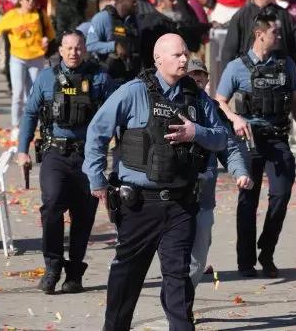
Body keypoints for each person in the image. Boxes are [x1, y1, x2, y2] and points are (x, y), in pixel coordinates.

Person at [82, 33, 228, 331]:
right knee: (128, 276)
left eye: (186, 53)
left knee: (178, 278)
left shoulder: (197, 98)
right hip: (138, 205)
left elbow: (221, 138)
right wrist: (96, 179)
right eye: (177, 55)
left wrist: (195, 133)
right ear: (158, 59)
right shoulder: (133, 92)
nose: (185, 59)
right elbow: (97, 132)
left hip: (180, 204)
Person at [16, 30, 117, 294]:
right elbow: (30, 113)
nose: (74, 52)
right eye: (69, 48)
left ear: (85, 49)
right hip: (55, 154)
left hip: (89, 157)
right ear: (60, 50)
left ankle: (74, 274)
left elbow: (118, 112)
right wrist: (22, 149)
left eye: (78, 48)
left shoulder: (100, 77)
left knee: (83, 217)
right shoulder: (46, 77)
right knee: (51, 206)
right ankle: (52, 266)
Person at [215, 13, 296, 278]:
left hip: (278, 138)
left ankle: (266, 252)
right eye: (275, 33)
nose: (279, 37)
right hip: (249, 140)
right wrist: (235, 118)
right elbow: (220, 100)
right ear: (260, 35)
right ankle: (245, 262)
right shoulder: (237, 66)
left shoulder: (286, 64)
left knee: (281, 195)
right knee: (248, 200)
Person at [185, 58, 253, 288]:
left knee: (198, 257)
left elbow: (229, 147)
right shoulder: (168, 104)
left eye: (199, 76)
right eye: (190, 75)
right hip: (171, 195)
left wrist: (240, 172)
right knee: (174, 256)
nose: (195, 80)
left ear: (206, 80)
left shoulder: (212, 110)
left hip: (203, 198)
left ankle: (183, 300)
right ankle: (177, 308)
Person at [0, 0, 55, 142]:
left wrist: (46, 41)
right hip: (18, 59)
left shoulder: (40, 15)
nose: (31, 1)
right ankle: (16, 126)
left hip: (36, 58)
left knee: (33, 95)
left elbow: (51, 34)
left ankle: (32, 126)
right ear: (20, 0)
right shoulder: (12, 15)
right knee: (17, 94)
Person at [221, 0, 296, 86]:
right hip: (249, 76)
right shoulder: (242, 16)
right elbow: (230, 49)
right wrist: (227, 76)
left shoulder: (283, 15)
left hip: (279, 75)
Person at [86, 0, 140, 84]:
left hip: (130, 76)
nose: (136, 4)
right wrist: (114, 46)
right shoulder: (103, 18)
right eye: (133, 0)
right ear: (122, 0)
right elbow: (90, 45)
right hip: (108, 77)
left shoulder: (132, 20)